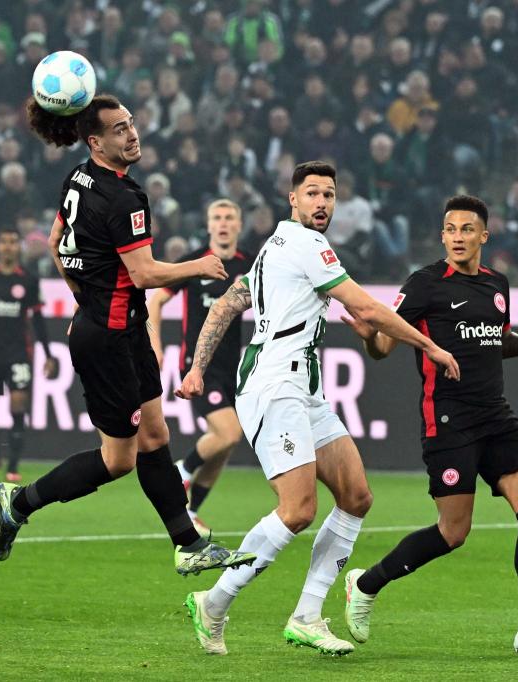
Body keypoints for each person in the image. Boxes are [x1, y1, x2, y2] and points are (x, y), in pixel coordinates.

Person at [175, 161, 460, 656]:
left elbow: (225, 304)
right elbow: (367, 309)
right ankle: (214, 601)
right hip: (274, 385)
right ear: (293, 200)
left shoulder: (272, 248)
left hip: (303, 389)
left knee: (356, 496)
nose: (322, 203)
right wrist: (429, 347)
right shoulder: (306, 245)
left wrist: (198, 367)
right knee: (298, 509)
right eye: (312, 194)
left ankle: (307, 615)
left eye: (330, 194)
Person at [0, 94, 255, 578]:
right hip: (107, 341)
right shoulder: (123, 196)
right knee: (118, 460)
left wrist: (86, 297)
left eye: (131, 124)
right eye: (118, 129)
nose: (131, 134)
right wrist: (199, 265)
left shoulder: (78, 176)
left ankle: (188, 544)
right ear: (95, 141)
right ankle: (19, 502)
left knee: (157, 436)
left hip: (120, 329)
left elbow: (55, 243)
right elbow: (144, 273)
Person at [340, 195, 518, 656]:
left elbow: (493, 342)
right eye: (451, 229)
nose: (458, 237)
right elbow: (384, 349)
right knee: (453, 532)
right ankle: (366, 584)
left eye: (468, 229)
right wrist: (371, 337)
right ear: (443, 235)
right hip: (448, 420)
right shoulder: (425, 285)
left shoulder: (497, 284)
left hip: (496, 415)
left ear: (484, 236)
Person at [147, 199, 249, 535]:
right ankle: (182, 472)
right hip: (199, 367)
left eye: (229, 217)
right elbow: (156, 299)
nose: (222, 223)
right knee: (228, 432)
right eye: (216, 217)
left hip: (232, 367)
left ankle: (190, 511)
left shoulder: (249, 266)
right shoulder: (194, 262)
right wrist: (156, 345)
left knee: (226, 444)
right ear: (208, 225)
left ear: (238, 225)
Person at [0, 227, 58, 483]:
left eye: (13, 242)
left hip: (18, 353)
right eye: (3, 242)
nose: (8, 247)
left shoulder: (28, 279)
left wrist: (48, 354)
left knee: (18, 403)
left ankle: (13, 464)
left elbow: (37, 320)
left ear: (19, 248)